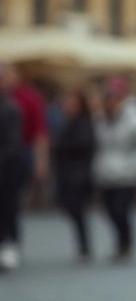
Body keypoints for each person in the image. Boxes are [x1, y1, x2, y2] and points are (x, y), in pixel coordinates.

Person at [93, 75, 136, 262]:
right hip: (106, 173)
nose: (108, 100)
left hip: (127, 175)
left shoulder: (135, 118)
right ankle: (120, 243)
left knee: (121, 210)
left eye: (112, 96)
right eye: (106, 96)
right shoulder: (100, 118)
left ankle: (126, 244)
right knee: (109, 211)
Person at [0, 63, 49, 270]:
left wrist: (40, 160)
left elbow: (40, 131)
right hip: (9, 153)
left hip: (21, 154)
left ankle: (12, 244)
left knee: (11, 203)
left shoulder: (27, 97)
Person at [52, 88, 96, 262]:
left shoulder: (83, 123)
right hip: (68, 173)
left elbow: (83, 147)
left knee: (77, 210)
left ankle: (84, 247)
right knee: (71, 209)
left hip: (78, 174)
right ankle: (83, 247)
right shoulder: (67, 122)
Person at [0, 74, 24, 271]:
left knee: (9, 208)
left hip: (7, 170)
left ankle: (11, 245)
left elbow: (13, 143)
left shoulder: (9, 108)